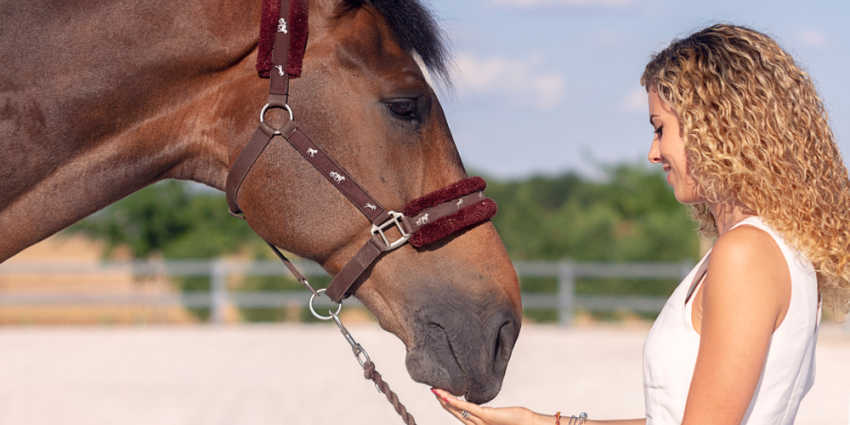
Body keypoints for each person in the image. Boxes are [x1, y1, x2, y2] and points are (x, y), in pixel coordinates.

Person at [433, 24, 850, 425]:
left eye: (660, 129)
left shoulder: (747, 254)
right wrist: (545, 422)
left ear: (715, 125)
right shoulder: (775, 249)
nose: (654, 153)